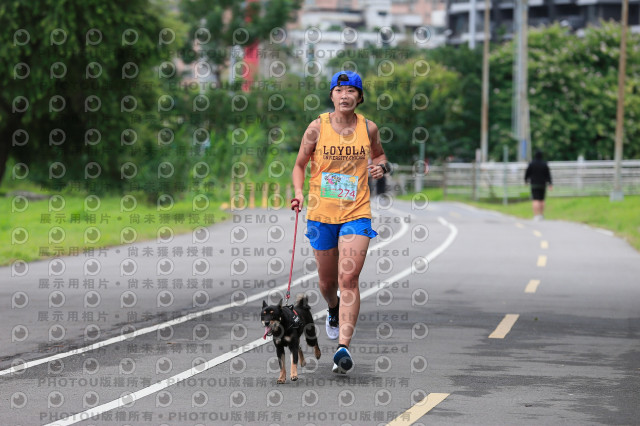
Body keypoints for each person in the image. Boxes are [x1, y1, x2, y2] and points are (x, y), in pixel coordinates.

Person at [290, 70, 389, 374]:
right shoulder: (316, 127)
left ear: (360, 97)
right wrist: (298, 192)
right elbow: (299, 165)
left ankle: (343, 346)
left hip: (356, 213)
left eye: (351, 91)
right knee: (327, 282)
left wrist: (380, 169)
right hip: (321, 214)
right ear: (332, 95)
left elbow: (381, 156)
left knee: (349, 278)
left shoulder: (368, 128)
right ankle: (332, 309)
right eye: (339, 90)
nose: (345, 96)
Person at [524, 150, 553, 221]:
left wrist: (526, 181)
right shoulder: (544, 164)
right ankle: (541, 215)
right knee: (542, 200)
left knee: (535, 199)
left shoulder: (531, 163)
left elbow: (527, 173)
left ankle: (536, 215)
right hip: (543, 184)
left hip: (534, 184)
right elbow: (548, 175)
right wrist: (550, 184)